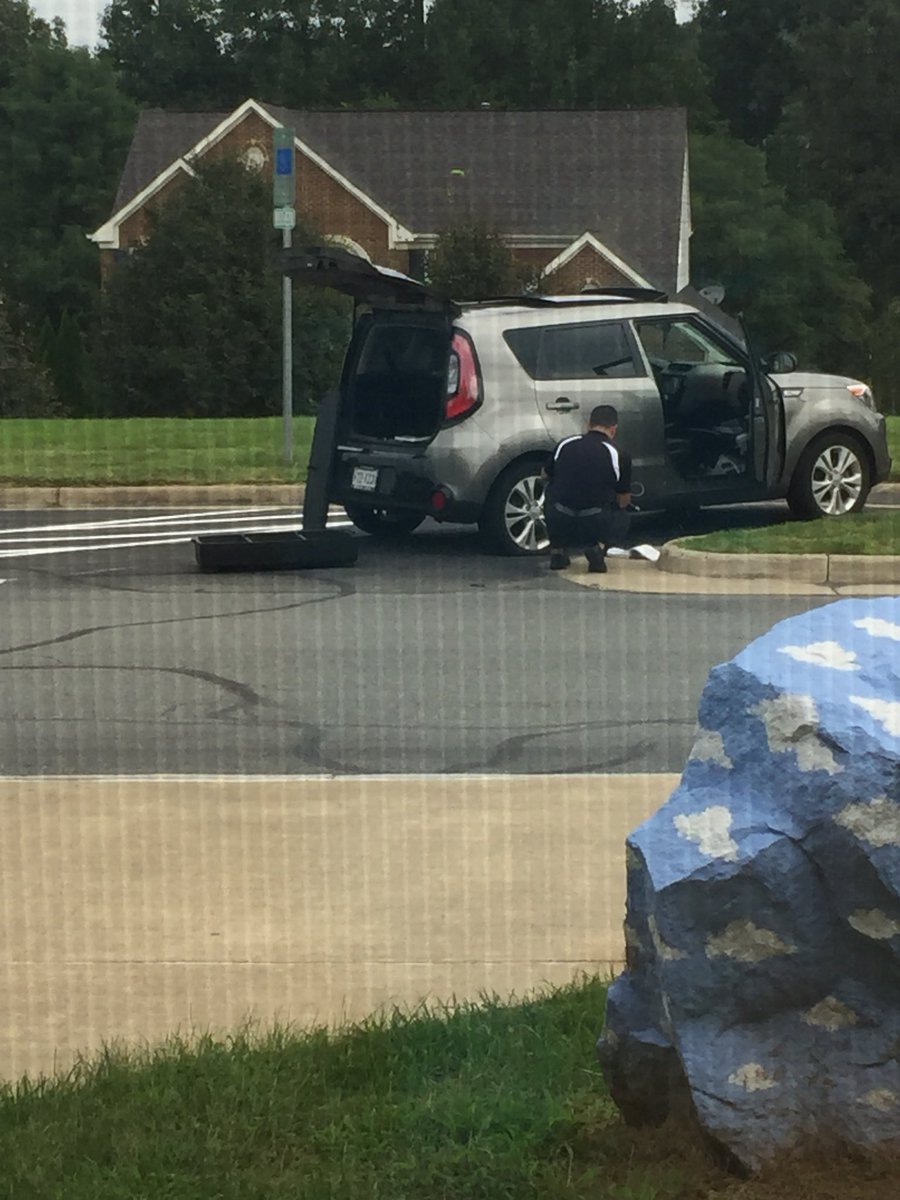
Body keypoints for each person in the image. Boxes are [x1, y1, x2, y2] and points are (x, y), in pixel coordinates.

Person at [542, 404, 633, 573]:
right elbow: (623, 499)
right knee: (623, 514)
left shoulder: (565, 443)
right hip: (594, 519)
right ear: (613, 429)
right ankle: (596, 547)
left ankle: (557, 550)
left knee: (550, 493)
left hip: (559, 517)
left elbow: (544, 475)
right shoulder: (619, 453)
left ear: (588, 424)